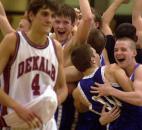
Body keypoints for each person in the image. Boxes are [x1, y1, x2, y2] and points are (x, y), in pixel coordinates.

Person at [0, 0, 68, 129]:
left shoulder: (56, 47)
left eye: (53, 16)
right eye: (45, 14)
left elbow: (62, 88)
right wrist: (17, 107)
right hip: (16, 123)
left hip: (46, 124)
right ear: (31, 15)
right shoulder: (13, 41)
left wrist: (51, 104)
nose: (49, 20)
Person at [91, 23, 142, 130]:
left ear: (134, 53)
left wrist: (112, 91)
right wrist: (101, 120)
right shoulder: (113, 71)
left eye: (123, 50)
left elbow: (140, 98)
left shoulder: (139, 70)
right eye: (115, 50)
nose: (118, 53)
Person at [71, 43, 133, 130]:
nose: (98, 55)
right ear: (92, 60)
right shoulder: (112, 70)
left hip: (113, 126)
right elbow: (135, 94)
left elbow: (82, 110)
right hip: (135, 121)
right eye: (96, 53)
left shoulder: (77, 92)